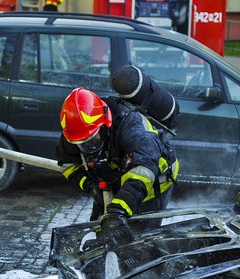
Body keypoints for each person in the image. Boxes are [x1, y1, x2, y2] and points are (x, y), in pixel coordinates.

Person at [55, 71, 179, 244]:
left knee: (141, 235)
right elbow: (68, 164)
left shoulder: (131, 125)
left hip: (154, 176)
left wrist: (118, 210)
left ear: (105, 123)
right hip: (116, 173)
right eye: (82, 143)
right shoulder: (76, 131)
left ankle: (150, 263)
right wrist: (90, 186)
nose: (87, 147)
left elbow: (142, 171)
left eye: (92, 139)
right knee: (104, 227)